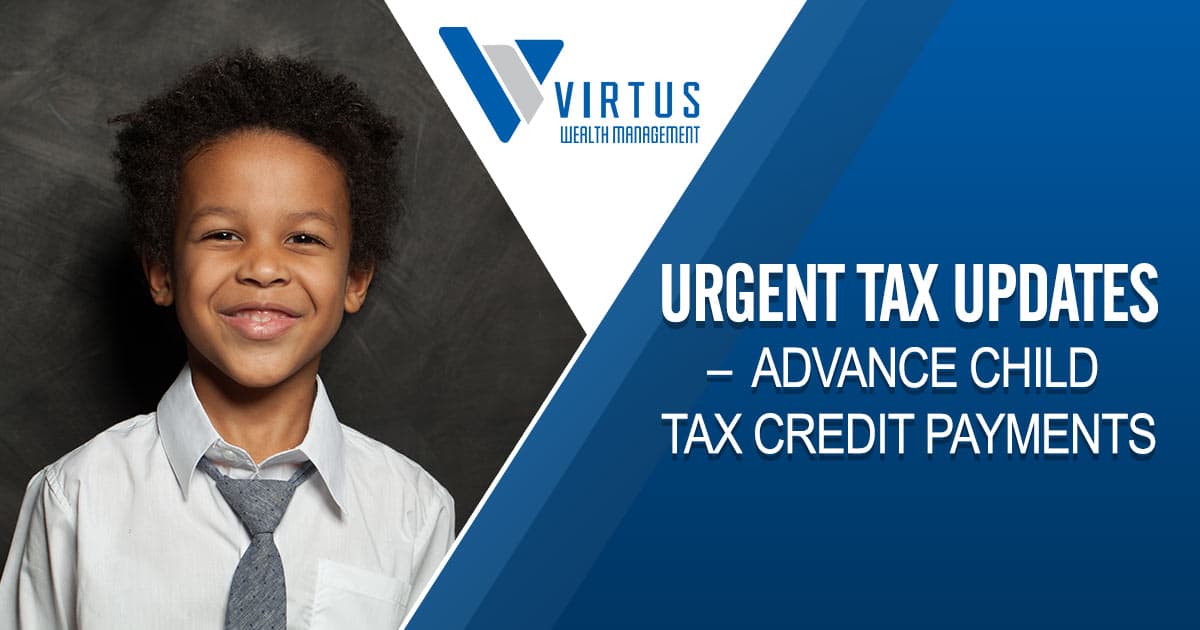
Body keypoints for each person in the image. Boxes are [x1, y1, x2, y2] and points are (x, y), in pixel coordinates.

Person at [0, 50, 454, 629]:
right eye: (222, 233)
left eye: (304, 238)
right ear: (162, 272)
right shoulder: (75, 499)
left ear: (356, 280)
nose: (263, 268)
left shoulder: (415, 513)